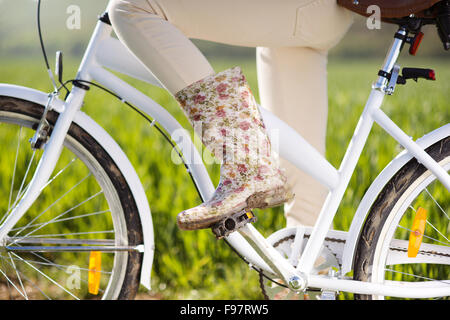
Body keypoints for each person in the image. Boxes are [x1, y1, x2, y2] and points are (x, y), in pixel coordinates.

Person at [109, 0, 354, 230]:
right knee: (306, 210)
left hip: (310, 7)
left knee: (133, 6)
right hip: (316, 12)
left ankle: (246, 162)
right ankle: (314, 267)